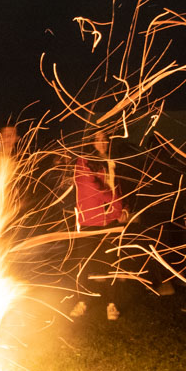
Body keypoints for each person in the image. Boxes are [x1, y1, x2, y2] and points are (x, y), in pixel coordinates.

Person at [70, 132, 128, 320]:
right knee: (86, 265)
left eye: (105, 139)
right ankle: (83, 301)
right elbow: (94, 189)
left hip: (110, 221)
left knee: (110, 264)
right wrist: (118, 207)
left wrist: (125, 207)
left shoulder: (112, 162)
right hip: (89, 222)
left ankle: (112, 304)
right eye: (97, 139)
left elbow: (120, 187)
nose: (102, 142)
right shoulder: (83, 162)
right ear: (90, 142)